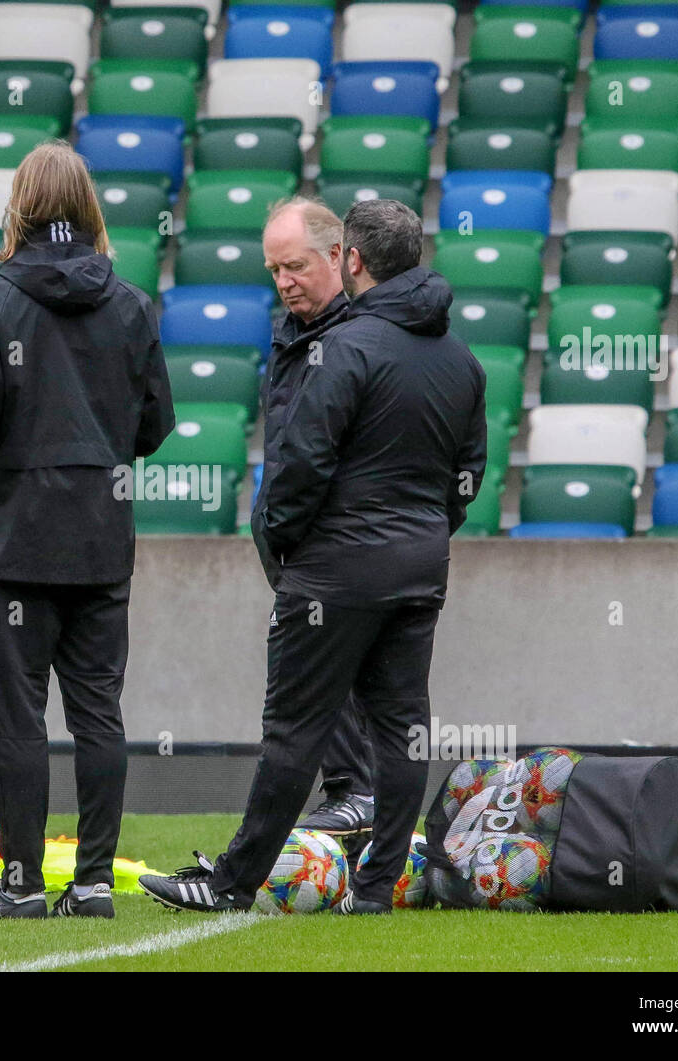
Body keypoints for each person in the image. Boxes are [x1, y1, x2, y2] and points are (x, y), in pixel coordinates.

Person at [140, 198, 487, 914]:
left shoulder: (349, 347)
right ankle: (374, 887)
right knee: (402, 726)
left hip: (335, 569)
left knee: (293, 730)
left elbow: (301, 463)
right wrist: (425, 529)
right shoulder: (462, 359)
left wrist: (290, 543)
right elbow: (468, 474)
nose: (284, 280)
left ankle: (231, 880)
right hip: (420, 567)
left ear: (350, 261)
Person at [0, 141, 174, 919]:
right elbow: (154, 426)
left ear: (19, 207)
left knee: (18, 721)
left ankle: (19, 886)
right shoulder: (131, 304)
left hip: (15, 545)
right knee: (98, 715)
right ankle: (90, 884)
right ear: (90, 210)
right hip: (100, 541)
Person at [260, 199, 376, 849]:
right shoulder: (290, 330)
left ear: (338, 257)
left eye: (295, 266)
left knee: (323, 673)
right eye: (275, 269)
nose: (284, 281)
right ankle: (355, 795)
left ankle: (354, 791)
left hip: (335, 536)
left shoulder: (357, 335)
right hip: (295, 532)